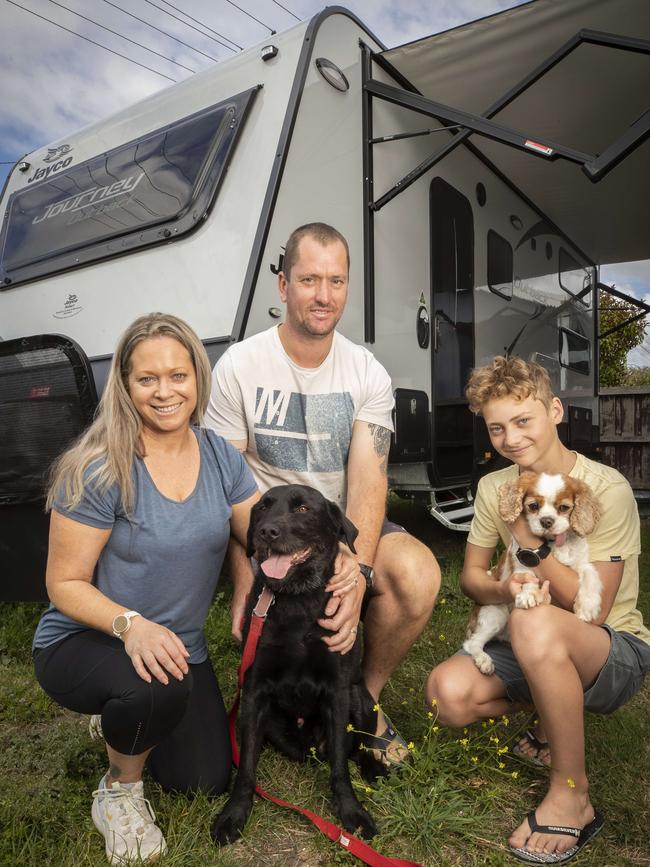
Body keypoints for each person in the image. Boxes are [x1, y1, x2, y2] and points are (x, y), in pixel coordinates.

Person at [205, 222, 441, 764]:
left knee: (418, 574)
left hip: (332, 523)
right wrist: (247, 570)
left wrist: (355, 569)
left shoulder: (366, 372)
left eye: (336, 281)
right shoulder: (240, 365)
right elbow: (229, 478)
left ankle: (361, 700)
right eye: (309, 279)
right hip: (263, 524)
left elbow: (368, 477)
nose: (324, 296)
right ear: (283, 285)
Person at [32, 313, 259, 865]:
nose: (165, 392)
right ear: (126, 386)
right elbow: (63, 584)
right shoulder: (98, 466)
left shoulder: (220, 455)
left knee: (202, 779)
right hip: (87, 637)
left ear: (198, 380)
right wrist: (131, 626)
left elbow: (258, 536)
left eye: (178, 376)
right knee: (149, 690)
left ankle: (124, 716)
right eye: (147, 379)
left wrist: (247, 585)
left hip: (177, 647)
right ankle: (118, 790)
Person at [426, 356, 649, 863]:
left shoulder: (602, 488)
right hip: (528, 629)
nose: (511, 438)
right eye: (497, 427)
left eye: (523, 421)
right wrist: (506, 590)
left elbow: (591, 609)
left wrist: (530, 545)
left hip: (611, 649)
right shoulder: (494, 489)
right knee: (447, 695)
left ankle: (572, 794)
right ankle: (551, 711)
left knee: (535, 619)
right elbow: (471, 578)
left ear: (555, 410)